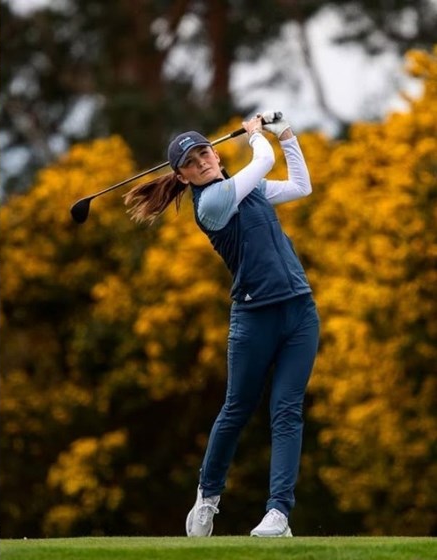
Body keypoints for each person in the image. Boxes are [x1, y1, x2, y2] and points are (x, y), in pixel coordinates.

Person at [124, 112, 319, 537]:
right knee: (236, 410)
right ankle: (208, 496)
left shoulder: (247, 192)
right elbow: (261, 164)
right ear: (183, 176)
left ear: (214, 152)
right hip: (254, 317)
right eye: (192, 162)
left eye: (204, 152)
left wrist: (285, 134)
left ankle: (278, 515)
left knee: (287, 412)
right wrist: (255, 135)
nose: (203, 162)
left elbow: (302, 186)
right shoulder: (211, 203)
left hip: (300, 311)